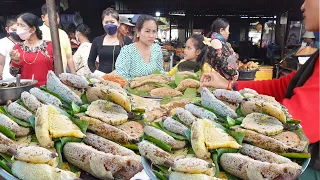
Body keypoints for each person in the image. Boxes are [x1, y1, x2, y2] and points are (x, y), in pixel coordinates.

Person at [201, 0, 319, 177]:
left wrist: (230, 122)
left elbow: (299, 122)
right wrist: (230, 86)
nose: (302, 6)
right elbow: (282, 86)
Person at [9, 13, 53, 86]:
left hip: (48, 90)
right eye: (18, 25)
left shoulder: (49, 46)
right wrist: (15, 62)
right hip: (26, 90)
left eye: (22, 25)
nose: (18, 28)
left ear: (32, 29)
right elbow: (13, 73)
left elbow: (58, 70)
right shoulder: (17, 48)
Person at [115, 14, 164, 80]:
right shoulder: (127, 51)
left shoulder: (157, 49)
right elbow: (120, 76)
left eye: (154, 31)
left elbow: (160, 71)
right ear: (138, 32)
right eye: (147, 31)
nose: (151, 35)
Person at [87, 8, 130, 74]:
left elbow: (132, 61)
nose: (109, 25)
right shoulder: (97, 41)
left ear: (118, 23)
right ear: (102, 24)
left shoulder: (127, 41)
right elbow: (90, 61)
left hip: (121, 79)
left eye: (112, 22)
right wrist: (96, 73)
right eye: (106, 22)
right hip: (102, 80)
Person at [40, 4, 76, 74]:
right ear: (43, 18)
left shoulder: (63, 34)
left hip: (62, 75)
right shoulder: (38, 33)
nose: (54, 20)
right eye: (50, 17)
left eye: (56, 17)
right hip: (43, 75)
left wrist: (74, 74)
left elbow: (69, 57)